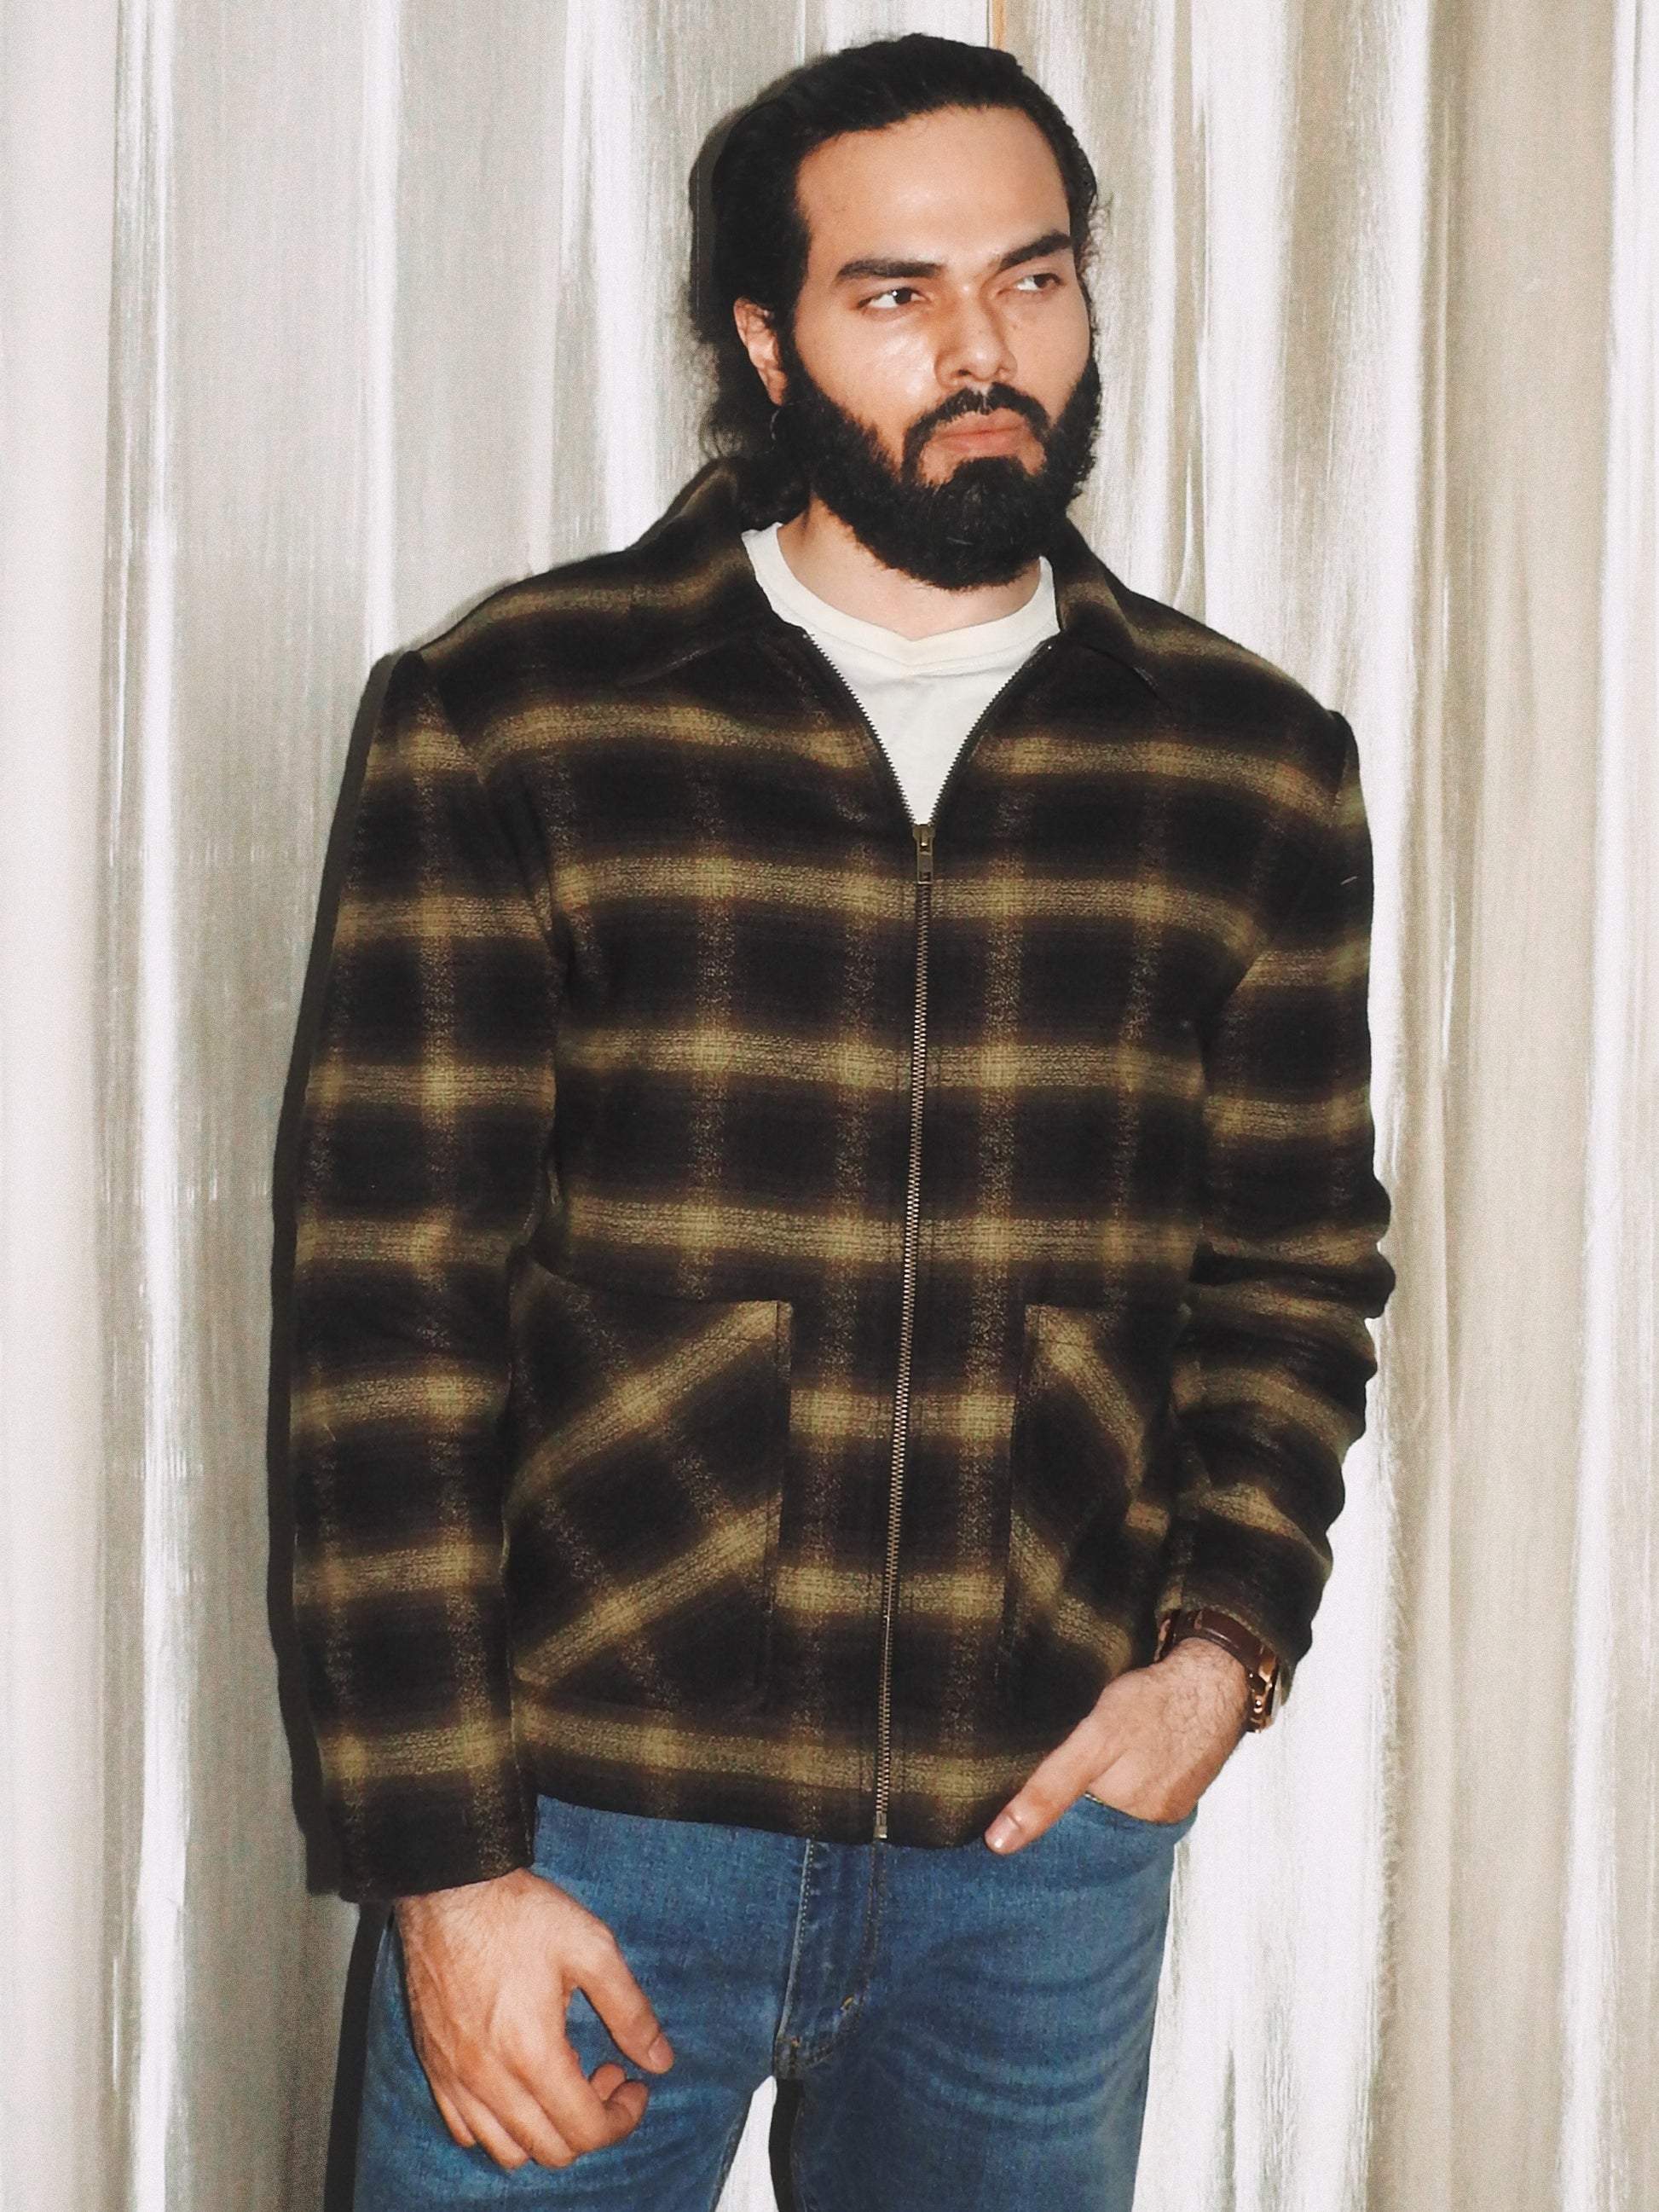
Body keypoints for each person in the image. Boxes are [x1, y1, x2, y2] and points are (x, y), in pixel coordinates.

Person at [288, 33, 1393, 2211]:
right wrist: (447, 1866)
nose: (985, 350)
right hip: (582, 1833)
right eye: (898, 293)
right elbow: (385, 1326)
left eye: (1032, 277)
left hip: (1036, 1854)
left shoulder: (1244, 765)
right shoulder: (524, 720)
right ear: (768, 339)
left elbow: (1291, 1265)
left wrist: (1222, 1651)